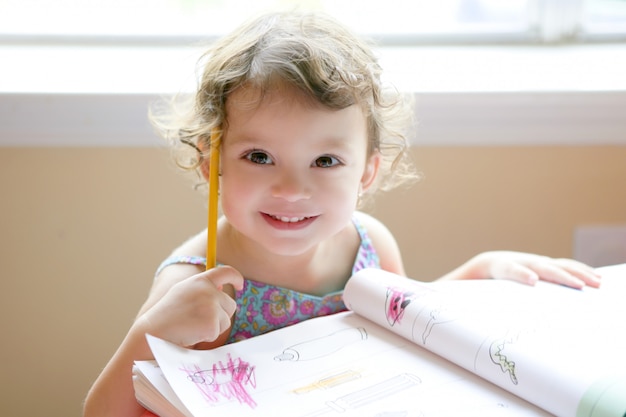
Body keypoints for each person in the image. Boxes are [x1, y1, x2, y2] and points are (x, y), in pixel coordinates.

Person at [83, 10, 601, 417]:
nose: (291, 188)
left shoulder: (368, 241)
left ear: (367, 173)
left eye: (326, 160)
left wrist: (480, 270)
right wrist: (148, 332)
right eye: (259, 157)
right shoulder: (191, 283)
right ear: (211, 162)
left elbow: (403, 325)